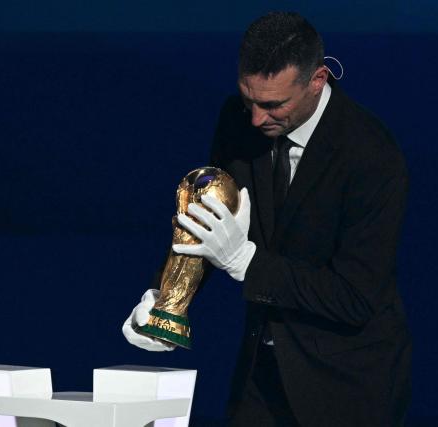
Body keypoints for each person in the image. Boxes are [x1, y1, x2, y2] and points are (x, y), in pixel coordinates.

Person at [122, 11, 411, 427]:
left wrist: (246, 263)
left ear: (319, 79)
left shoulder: (371, 156)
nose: (257, 118)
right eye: (248, 100)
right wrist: (166, 300)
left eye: (274, 104)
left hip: (349, 386)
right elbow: (212, 223)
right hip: (261, 377)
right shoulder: (237, 121)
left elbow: (355, 297)